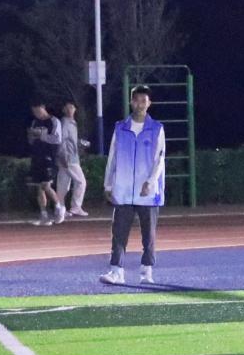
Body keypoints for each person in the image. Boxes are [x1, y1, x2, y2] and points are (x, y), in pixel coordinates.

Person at [99, 85, 165, 285]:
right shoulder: (120, 128)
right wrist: (108, 185)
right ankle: (116, 271)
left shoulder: (157, 128)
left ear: (149, 103)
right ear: (131, 101)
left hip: (148, 193)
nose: (140, 104)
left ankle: (147, 271)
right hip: (124, 190)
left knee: (149, 236)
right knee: (118, 233)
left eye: (144, 101)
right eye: (136, 100)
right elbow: (112, 157)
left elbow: (159, 160)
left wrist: (150, 182)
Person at [28, 102, 67, 226]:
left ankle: (59, 207)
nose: (36, 114)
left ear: (43, 108)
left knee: (46, 185)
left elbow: (57, 139)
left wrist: (42, 135)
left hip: (49, 156)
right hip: (37, 157)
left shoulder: (54, 121)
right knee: (39, 187)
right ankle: (44, 215)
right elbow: (31, 140)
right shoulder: (35, 122)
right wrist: (31, 136)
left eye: (38, 110)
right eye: (34, 112)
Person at [55, 100, 91, 216]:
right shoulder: (66, 123)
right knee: (81, 182)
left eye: (72, 107)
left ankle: (60, 208)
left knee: (63, 185)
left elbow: (69, 140)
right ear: (63, 110)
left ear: (75, 109)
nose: (70, 110)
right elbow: (62, 140)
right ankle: (76, 207)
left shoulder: (71, 122)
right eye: (67, 108)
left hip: (66, 157)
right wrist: (63, 155)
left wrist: (79, 143)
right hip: (69, 158)